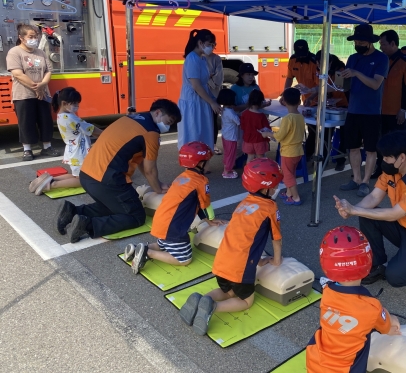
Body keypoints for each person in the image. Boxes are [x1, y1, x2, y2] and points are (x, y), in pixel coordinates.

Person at [178, 158, 284, 336]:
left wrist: (258, 260)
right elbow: (276, 238)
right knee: (246, 301)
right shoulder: (270, 207)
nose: (276, 189)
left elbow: (244, 238)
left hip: (221, 261)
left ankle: (203, 299)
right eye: (275, 186)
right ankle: (213, 307)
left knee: (227, 292)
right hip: (239, 267)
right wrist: (276, 260)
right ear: (266, 188)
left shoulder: (244, 203)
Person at [54, 99, 181, 243]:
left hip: (87, 175)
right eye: (168, 122)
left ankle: (72, 212)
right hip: (106, 179)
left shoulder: (131, 118)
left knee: (116, 207)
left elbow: (141, 161)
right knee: (136, 216)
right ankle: (87, 225)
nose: (168, 127)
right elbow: (150, 170)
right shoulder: (151, 133)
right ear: (158, 113)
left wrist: (157, 183)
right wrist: (158, 189)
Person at [334, 131, 406, 288]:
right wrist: (350, 210)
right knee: (368, 215)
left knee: (394, 277)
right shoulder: (393, 171)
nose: (384, 160)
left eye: (387, 157)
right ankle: (376, 264)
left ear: (402, 158)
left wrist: (355, 210)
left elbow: (395, 214)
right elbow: (374, 197)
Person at [306, 226, 401, 373]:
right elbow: (388, 327)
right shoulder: (371, 307)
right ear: (367, 261)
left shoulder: (327, 291)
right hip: (345, 369)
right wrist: (393, 320)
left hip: (314, 360)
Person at [126, 141, 226, 273]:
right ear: (200, 163)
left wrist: (206, 220)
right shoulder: (201, 181)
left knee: (164, 245)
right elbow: (205, 204)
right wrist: (211, 219)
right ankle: (148, 252)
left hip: (162, 221)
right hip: (173, 227)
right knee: (184, 259)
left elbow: (198, 203)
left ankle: (136, 249)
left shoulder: (181, 178)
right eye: (207, 161)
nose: (209, 164)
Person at [338, 24, 389, 197]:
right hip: (353, 110)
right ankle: (356, 179)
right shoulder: (353, 58)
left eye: (361, 42)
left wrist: (356, 73)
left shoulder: (381, 59)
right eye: (356, 42)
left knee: (370, 149)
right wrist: (338, 82)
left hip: (371, 112)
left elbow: (375, 84)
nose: (357, 45)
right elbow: (346, 84)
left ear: (369, 42)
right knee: (352, 147)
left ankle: (366, 182)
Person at [29, 87, 103, 195]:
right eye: (74, 103)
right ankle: (51, 185)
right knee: (82, 180)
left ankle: (49, 179)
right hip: (79, 152)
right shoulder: (70, 118)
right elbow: (90, 129)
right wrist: (106, 133)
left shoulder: (62, 116)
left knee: (75, 176)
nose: (77, 106)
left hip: (73, 151)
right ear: (64, 103)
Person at [6, 23, 60, 161]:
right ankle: (27, 149)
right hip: (23, 94)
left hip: (43, 93)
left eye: (36, 36)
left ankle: (47, 147)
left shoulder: (40, 52)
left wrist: (43, 85)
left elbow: (48, 71)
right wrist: (37, 87)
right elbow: (17, 73)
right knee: (26, 122)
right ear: (21, 37)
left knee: (45, 121)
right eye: (31, 37)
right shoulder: (14, 52)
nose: (34, 39)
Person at [371, 30, 406, 179]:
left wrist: (403, 109)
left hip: (396, 111)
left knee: (398, 144)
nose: (381, 47)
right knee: (381, 142)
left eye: (383, 44)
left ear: (392, 43)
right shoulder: (380, 60)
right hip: (380, 109)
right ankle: (381, 169)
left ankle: (400, 171)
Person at [260, 87, 305, 206]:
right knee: (291, 173)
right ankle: (289, 192)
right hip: (298, 150)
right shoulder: (300, 116)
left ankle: (296, 197)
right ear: (299, 101)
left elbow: (279, 136)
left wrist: (267, 133)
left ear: (283, 101)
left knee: (287, 176)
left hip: (288, 152)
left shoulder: (287, 118)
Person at [177, 29, 221, 150]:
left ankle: (202, 158)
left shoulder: (202, 58)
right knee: (193, 135)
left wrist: (213, 100)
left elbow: (204, 83)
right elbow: (196, 85)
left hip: (201, 101)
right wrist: (211, 102)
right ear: (200, 43)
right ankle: (191, 159)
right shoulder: (192, 59)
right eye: (209, 44)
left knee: (202, 134)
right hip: (193, 102)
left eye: (213, 45)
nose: (211, 48)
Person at [314, 51, 349, 171]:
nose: (319, 65)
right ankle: (323, 158)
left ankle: (340, 160)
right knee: (325, 133)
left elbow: (338, 88)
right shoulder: (321, 70)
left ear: (330, 62)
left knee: (344, 135)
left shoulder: (340, 70)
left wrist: (317, 90)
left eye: (321, 63)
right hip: (330, 106)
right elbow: (321, 87)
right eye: (317, 63)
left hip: (344, 106)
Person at [283, 40, 318, 159]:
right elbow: (289, 78)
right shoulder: (293, 60)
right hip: (305, 100)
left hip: (319, 99)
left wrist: (312, 97)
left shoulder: (314, 62)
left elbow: (320, 85)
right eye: (299, 54)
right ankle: (308, 153)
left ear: (308, 50)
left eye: (303, 53)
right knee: (308, 126)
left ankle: (309, 154)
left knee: (315, 128)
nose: (301, 56)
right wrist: (285, 95)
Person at [240, 90, 271, 162]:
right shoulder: (261, 116)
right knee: (261, 158)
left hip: (248, 139)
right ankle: (260, 170)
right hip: (259, 140)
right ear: (261, 102)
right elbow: (267, 129)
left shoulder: (244, 113)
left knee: (250, 157)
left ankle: (248, 169)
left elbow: (242, 126)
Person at [216, 88, 240, 179]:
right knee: (231, 154)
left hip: (225, 135)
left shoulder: (224, 110)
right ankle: (227, 171)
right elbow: (238, 121)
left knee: (227, 153)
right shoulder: (230, 112)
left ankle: (226, 168)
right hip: (231, 137)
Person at [205, 50, 224, 155]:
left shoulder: (216, 58)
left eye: (213, 45)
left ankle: (213, 144)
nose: (210, 47)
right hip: (201, 96)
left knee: (213, 120)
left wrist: (207, 79)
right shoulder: (196, 57)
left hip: (214, 94)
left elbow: (219, 79)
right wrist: (209, 76)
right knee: (202, 121)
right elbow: (196, 79)